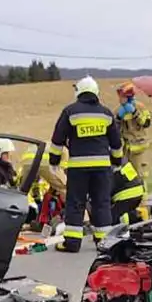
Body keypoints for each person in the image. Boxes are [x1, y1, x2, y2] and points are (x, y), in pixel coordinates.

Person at [47, 76, 124, 252]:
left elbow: (57, 140)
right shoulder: (106, 114)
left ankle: (72, 243)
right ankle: (104, 242)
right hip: (102, 168)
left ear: (79, 92)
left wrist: (54, 162)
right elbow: (116, 143)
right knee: (101, 203)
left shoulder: (70, 112)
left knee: (75, 203)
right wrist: (117, 162)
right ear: (96, 92)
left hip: (78, 168)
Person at [115, 81, 152, 204]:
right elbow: (115, 129)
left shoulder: (140, 107)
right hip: (126, 150)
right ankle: (132, 203)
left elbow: (146, 123)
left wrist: (134, 112)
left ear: (128, 96)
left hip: (139, 149)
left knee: (140, 177)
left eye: (121, 96)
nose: (119, 99)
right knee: (128, 176)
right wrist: (119, 118)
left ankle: (143, 204)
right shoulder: (118, 110)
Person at [111, 160, 149, 226]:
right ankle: (141, 213)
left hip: (124, 194)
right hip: (138, 190)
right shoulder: (117, 157)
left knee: (108, 220)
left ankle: (132, 217)